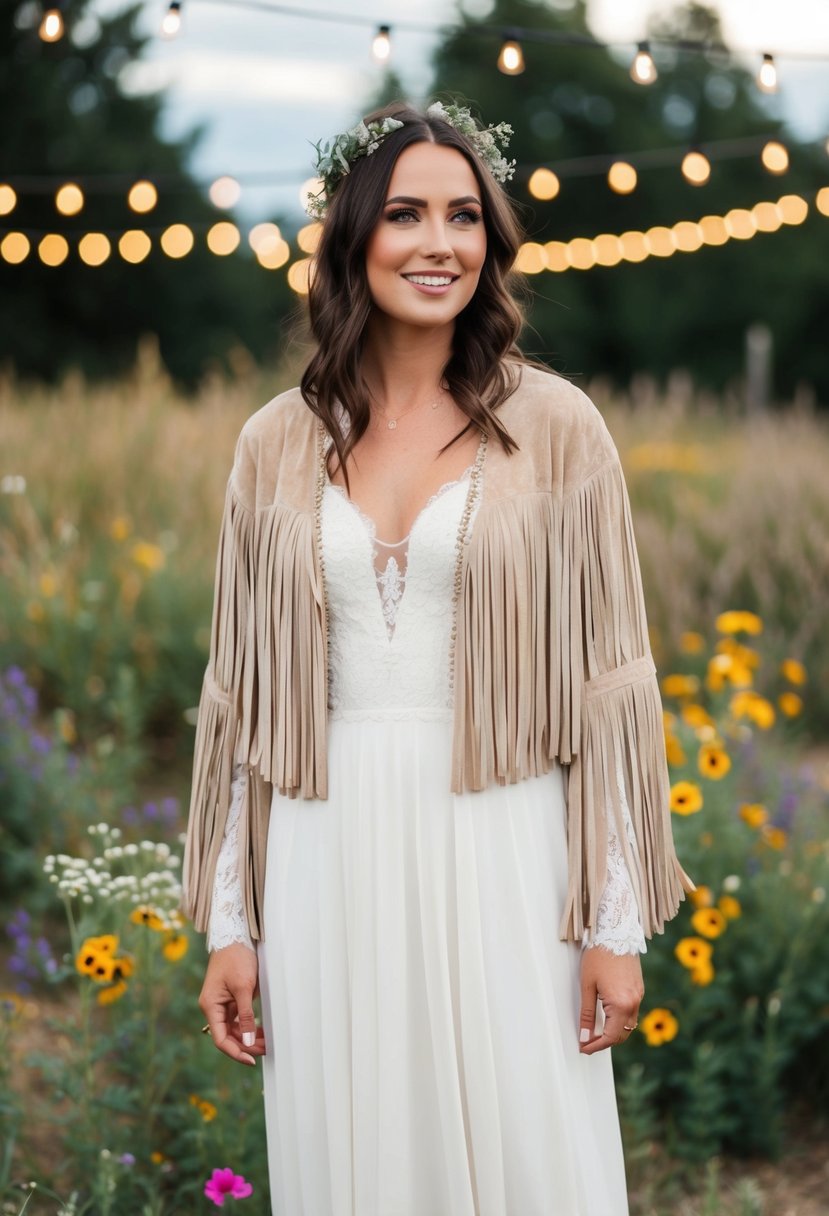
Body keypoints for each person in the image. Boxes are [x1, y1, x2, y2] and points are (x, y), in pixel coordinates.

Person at [182, 99, 695, 1216]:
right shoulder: (274, 442)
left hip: (505, 844)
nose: (439, 242)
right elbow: (240, 703)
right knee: (354, 1160)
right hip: (322, 854)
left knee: (529, 1154)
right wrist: (232, 926)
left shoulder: (558, 428)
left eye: (464, 216)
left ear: (492, 243)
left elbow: (610, 686)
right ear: (352, 237)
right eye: (406, 213)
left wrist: (613, 928)